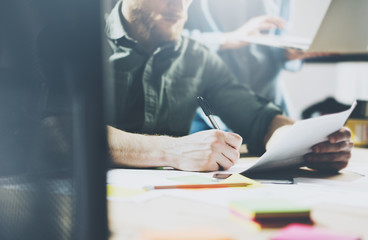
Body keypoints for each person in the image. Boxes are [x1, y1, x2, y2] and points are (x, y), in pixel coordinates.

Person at [105, 0, 353, 172]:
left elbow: (260, 119)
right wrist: (173, 150)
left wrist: (310, 145)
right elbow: (67, 131)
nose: (179, 5)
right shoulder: (78, 44)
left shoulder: (197, 56)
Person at [184, 0, 325, 132]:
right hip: (209, 115)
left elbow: (279, 42)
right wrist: (226, 39)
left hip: (270, 104)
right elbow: (170, 40)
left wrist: (290, 54)